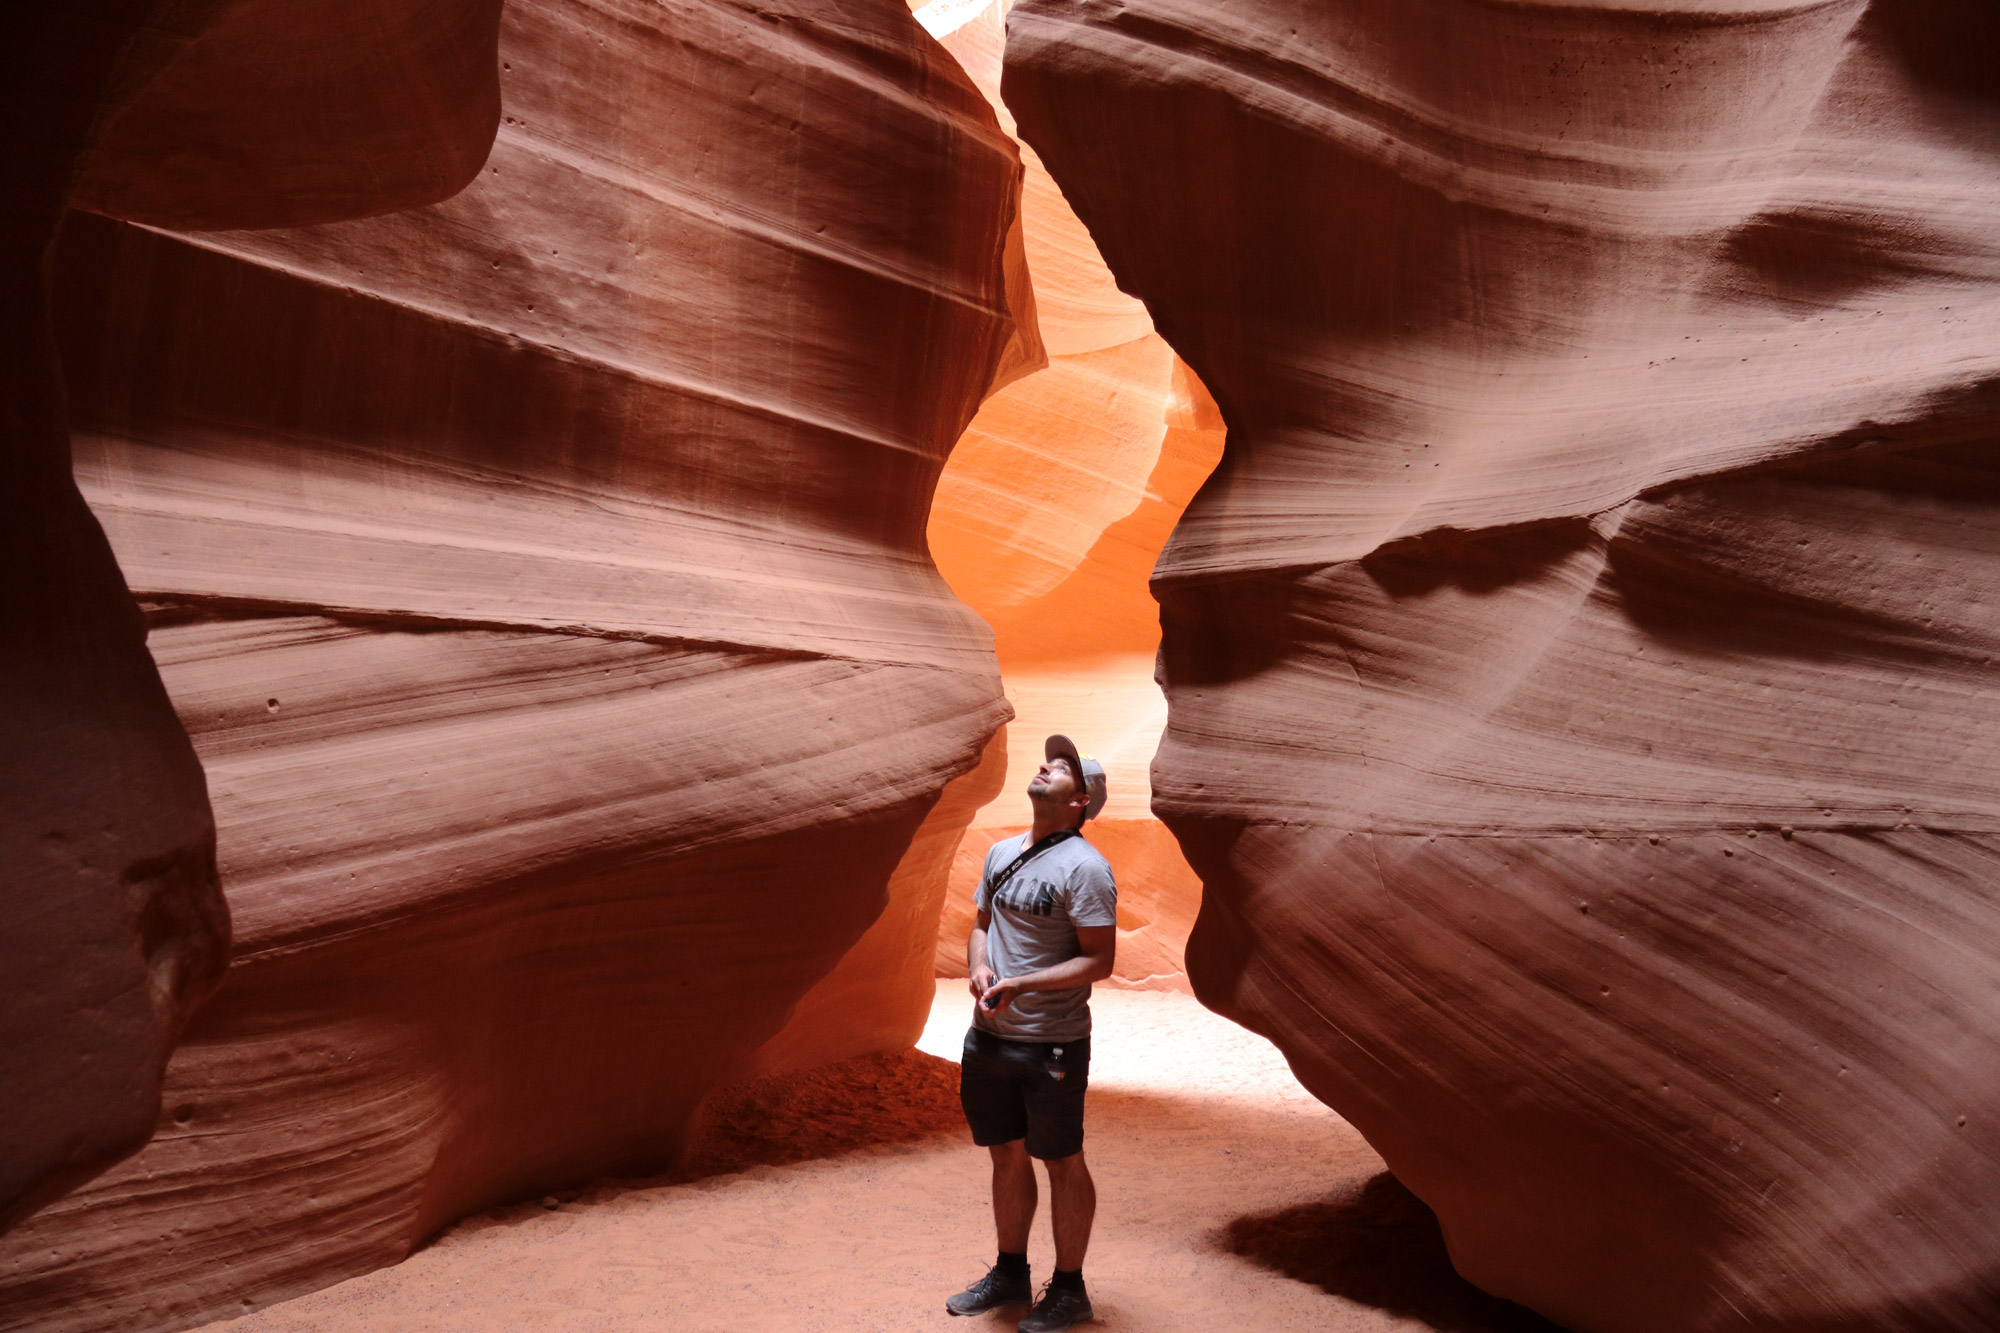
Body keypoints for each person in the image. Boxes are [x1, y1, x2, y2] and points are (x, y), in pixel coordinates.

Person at [945, 734, 1116, 1332]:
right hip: (989, 1037)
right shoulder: (1000, 853)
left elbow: (1099, 960)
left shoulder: (1087, 869)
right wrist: (981, 966)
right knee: (1005, 1154)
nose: (1047, 767)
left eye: (1064, 768)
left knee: (1062, 1159)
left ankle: (1070, 1290)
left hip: (1053, 1043)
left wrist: (1022, 983)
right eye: (1049, 761)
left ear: (1081, 802)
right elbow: (980, 925)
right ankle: (1011, 1273)